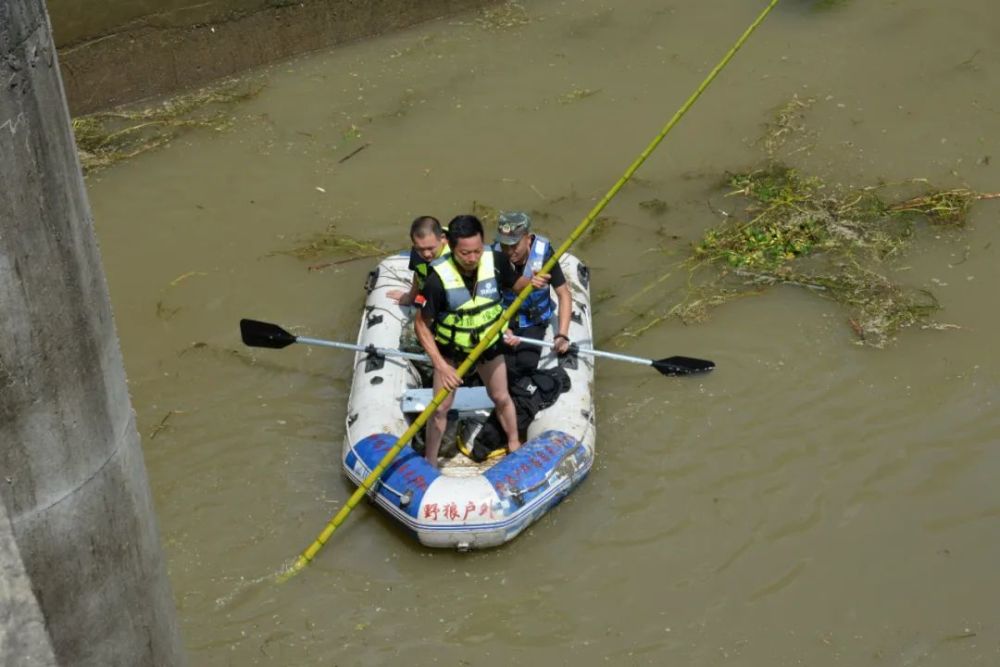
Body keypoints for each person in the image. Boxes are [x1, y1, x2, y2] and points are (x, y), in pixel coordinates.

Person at [414, 214, 549, 467]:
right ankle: (430, 460)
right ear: (452, 248)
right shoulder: (435, 281)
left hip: (487, 345)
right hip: (451, 352)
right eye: (465, 253)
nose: (472, 258)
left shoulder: (496, 260)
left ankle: (513, 443)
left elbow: (516, 284)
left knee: (501, 397)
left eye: (477, 251)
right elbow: (421, 325)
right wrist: (441, 366)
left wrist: (534, 282)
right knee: (440, 409)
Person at [495, 211, 572, 374]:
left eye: (514, 245)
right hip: (504, 319)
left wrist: (562, 335)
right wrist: (503, 328)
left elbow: (563, 294)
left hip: (533, 321)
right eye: (504, 246)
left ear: (528, 239)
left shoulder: (545, 255)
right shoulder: (495, 256)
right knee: (501, 365)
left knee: (526, 364)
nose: (509, 252)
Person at [388, 215, 449, 305]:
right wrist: (410, 298)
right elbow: (418, 275)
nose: (426, 254)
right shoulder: (417, 251)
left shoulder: (457, 255)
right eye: (421, 249)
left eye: (430, 248)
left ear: (442, 238)